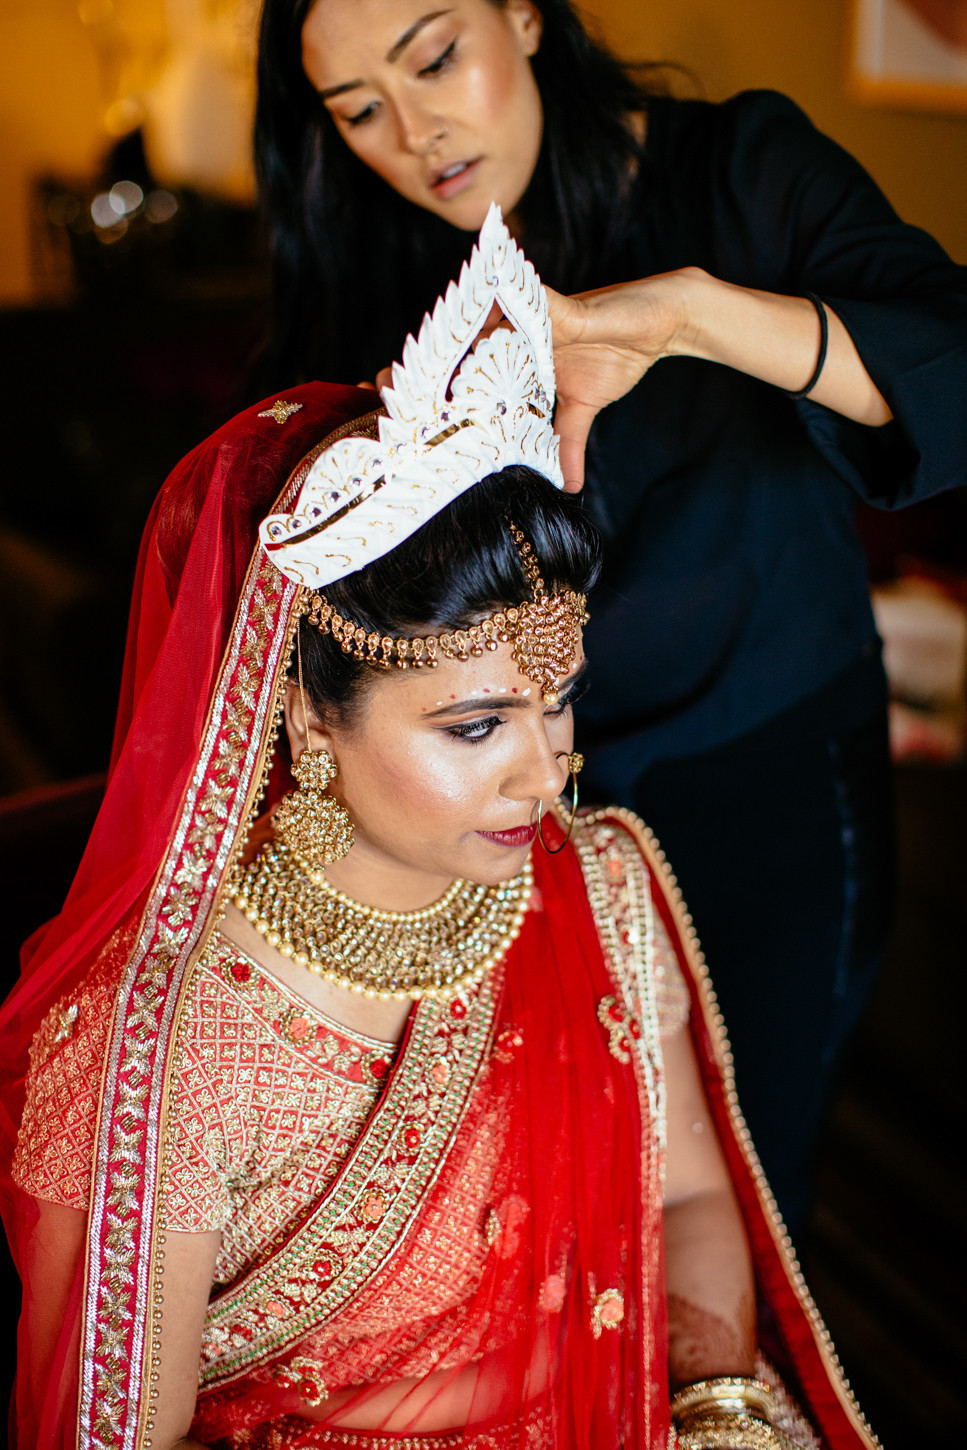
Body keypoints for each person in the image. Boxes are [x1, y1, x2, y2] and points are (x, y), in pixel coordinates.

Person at [0, 213, 876, 1450]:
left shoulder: (599, 880)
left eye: (558, 696)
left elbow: (685, 1195)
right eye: (474, 726)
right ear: (306, 711)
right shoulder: (164, 1046)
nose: (546, 766)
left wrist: (718, 1411)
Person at [253, 0, 967, 1226]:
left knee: (727, 1202)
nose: (417, 132)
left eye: (435, 59)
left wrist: (692, 317)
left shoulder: (738, 172)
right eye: (360, 109)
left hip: (765, 795)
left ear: (523, 16)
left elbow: (948, 374)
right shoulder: (375, 258)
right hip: (504, 826)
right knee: (549, 1216)